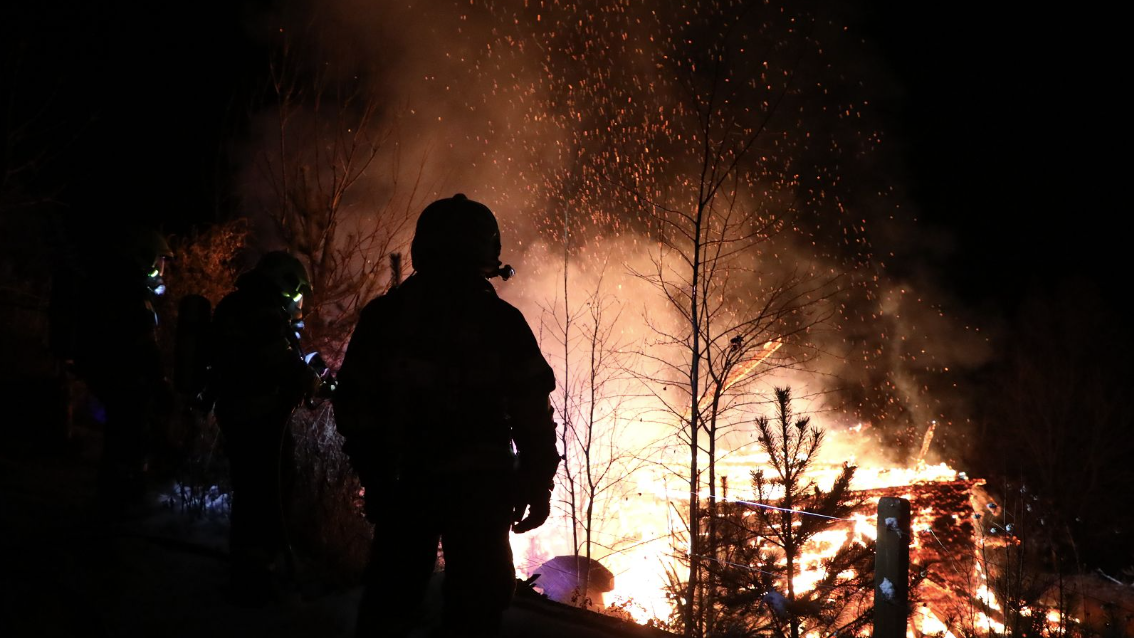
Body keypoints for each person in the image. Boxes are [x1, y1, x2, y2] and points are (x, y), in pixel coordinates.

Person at [334, 194, 559, 638]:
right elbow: (532, 412)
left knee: (390, 604)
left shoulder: (387, 316)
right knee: (475, 611)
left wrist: (375, 475)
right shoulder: (501, 321)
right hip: (480, 490)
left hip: (404, 484)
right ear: (487, 253)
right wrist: (536, 483)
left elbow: (354, 405)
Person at [209, 251, 321, 604]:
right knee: (265, 494)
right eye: (298, 291)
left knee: (251, 493)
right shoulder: (262, 311)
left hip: (240, 415)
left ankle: (250, 569)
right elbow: (277, 362)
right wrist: (310, 379)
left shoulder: (242, 305)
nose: (299, 300)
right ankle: (255, 579)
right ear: (286, 284)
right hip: (257, 419)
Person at [70, 227, 174, 509]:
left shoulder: (114, 284)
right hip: (127, 380)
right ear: (146, 258)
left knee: (118, 438)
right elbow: (144, 346)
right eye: (160, 261)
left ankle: (114, 497)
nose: (163, 268)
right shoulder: (132, 292)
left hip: (110, 375)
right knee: (129, 440)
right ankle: (124, 502)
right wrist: (161, 385)